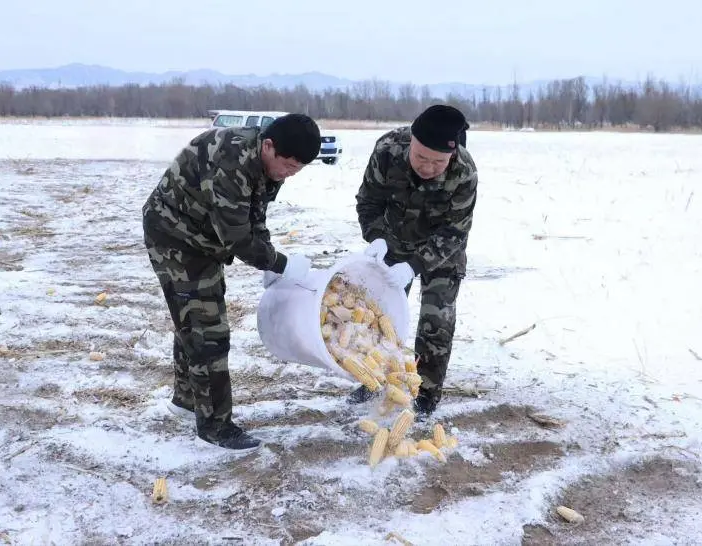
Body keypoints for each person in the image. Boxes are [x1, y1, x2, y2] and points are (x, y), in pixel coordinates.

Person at [141, 113, 321, 450]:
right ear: (269, 145)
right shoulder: (230, 159)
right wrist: (280, 263)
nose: (288, 175)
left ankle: (187, 399)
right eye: (288, 167)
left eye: (297, 170)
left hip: (203, 238)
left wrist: (269, 257)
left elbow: (255, 215)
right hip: (175, 237)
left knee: (195, 319)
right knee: (207, 331)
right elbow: (237, 237)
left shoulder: (268, 162)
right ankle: (215, 426)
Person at [352, 104, 478, 417]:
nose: (428, 167)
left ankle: (425, 396)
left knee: (437, 323)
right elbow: (368, 202)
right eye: (421, 157)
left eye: (438, 162)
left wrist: (416, 265)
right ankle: (372, 379)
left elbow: (455, 231)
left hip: (441, 252)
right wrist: (377, 238)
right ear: (412, 142)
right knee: (382, 317)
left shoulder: (464, 172)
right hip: (393, 243)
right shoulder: (387, 151)